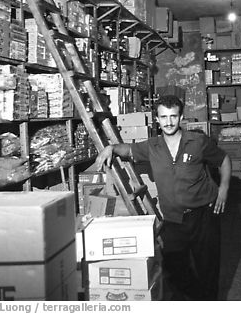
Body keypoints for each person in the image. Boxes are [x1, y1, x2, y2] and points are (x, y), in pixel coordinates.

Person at [95, 95, 231, 300]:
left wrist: (224, 189)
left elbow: (224, 159)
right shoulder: (152, 146)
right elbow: (128, 150)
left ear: (181, 117)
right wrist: (111, 148)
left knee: (208, 270)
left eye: (173, 116)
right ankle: (197, 299)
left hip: (204, 216)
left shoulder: (197, 142)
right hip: (173, 219)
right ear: (157, 119)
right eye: (164, 117)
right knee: (174, 269)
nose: (168, 122)